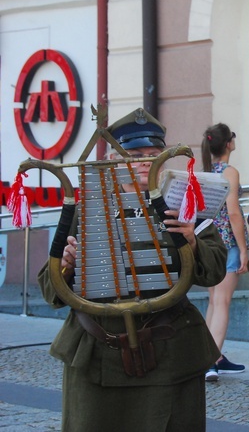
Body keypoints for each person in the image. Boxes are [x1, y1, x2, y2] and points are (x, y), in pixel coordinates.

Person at [37, 108, 227, 431]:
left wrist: (193, 243)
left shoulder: (183, 201)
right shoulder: (88, 207)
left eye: (154, 154)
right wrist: (67, 267)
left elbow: (215, 271)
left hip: (168, 354)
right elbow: (49, 291)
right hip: (97, 355)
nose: (145, 161)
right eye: (134, 154)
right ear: (114, 158)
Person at [201, 123, 249, 381]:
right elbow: (233, 211)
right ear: (229, 143)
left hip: (209, 243)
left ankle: (213, 356)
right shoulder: (229, 171)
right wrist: (243, 249)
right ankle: (210, 362)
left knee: (213, 302)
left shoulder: (206, 171)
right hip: (227, 243)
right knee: (222, 303)